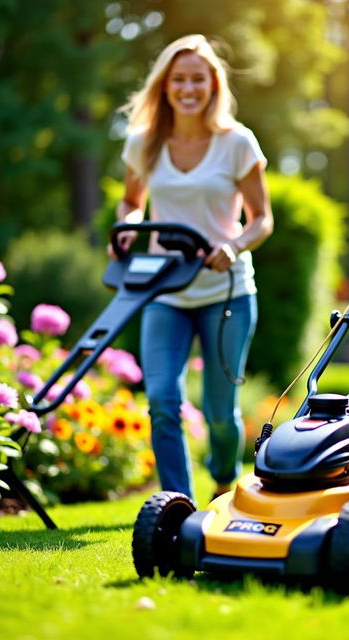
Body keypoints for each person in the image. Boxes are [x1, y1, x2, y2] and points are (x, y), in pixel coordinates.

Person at [111, 34, 273, 502]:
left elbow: (262, 218)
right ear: (164, 86)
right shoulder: (144, 144)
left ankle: (223, 485)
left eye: (197, 79)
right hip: (165, 291)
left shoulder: (237, 143)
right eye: (178, 79)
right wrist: (127, 228)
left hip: (227, 292)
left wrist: (235, 243)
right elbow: (130, 203)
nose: (188, 88)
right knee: (162, 401)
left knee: (222, 414)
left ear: (213, 84)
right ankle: (176, 506)